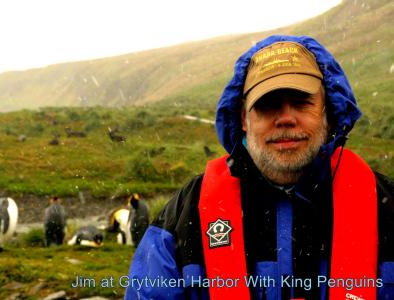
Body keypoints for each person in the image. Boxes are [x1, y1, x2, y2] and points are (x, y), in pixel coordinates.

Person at [125, 35, 394, 300]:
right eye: (268, 104)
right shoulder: (185, 213)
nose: (286, 118)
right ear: (243, 118)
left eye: (302, 102)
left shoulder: (388, 208)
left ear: (329, 111)